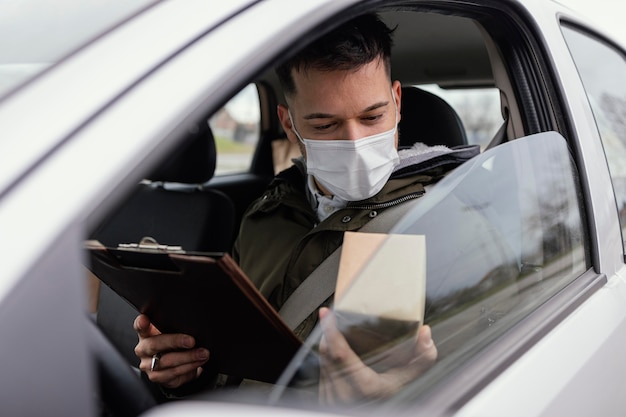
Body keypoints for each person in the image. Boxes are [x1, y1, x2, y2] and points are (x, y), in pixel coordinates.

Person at [134, 13, 474, 403]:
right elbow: (233, 359)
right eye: (325, 125)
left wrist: (404, 396)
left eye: (373, 116)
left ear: (397, 102)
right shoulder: (264, 215)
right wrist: (185, 372)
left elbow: (492, 374)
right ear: (289, 124)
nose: (355, 142)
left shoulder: (455, 224)